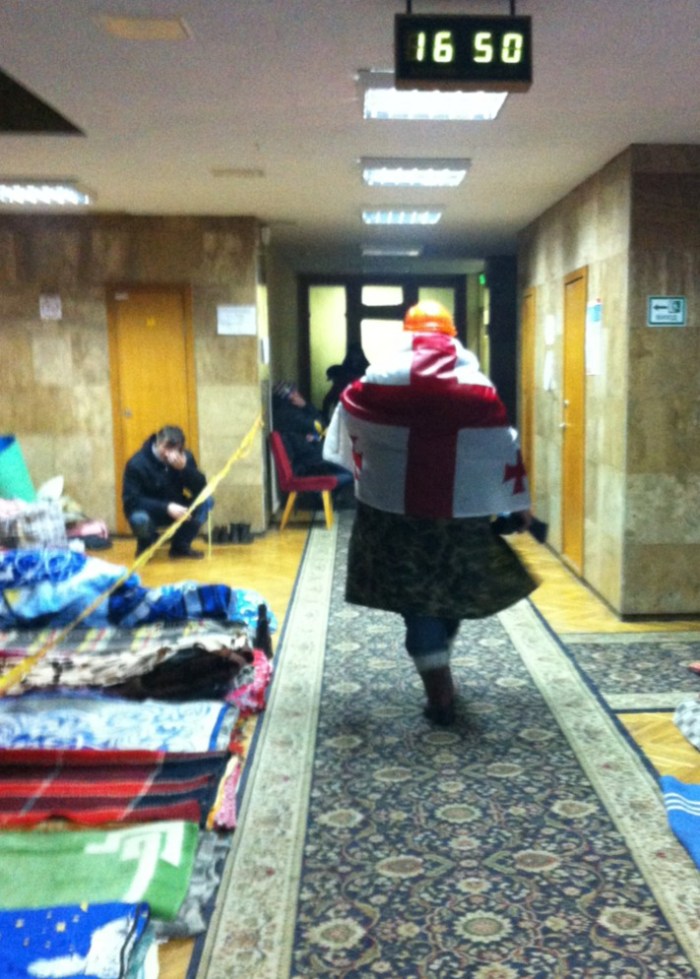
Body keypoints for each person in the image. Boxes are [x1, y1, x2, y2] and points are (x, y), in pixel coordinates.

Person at [323, 300, 537, 726]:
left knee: (416, 602)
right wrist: (516, 504)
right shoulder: (476, 386)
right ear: (452, 337)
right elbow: (500, 446)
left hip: (391, 515)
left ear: (406, 336)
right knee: (445, 596)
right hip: (459, 516)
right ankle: (439, 681)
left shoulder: (375, 381)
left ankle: (436, 674)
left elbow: (348, 420)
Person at [122, 425, 211, 559]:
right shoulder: (137, 463)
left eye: (177, 449)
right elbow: (131, 501)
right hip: (150, 512)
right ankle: (145, 547)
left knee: (207, 500)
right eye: (167, 448)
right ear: (157, 442)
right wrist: (166, 508)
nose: (171, 453)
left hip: (178, 508)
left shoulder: (186, 457)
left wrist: (185, 469)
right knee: (139, 519)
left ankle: (181, 546)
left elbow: (201, 489)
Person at [271, 381, 353, 492]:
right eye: (294, 392)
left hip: (309, 458)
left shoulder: (286, 413)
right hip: (309, 463)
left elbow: (318, 430)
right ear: (290, 397)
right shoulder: (290, 414)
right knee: (351, 468)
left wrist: (315, 436)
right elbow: (320, 426)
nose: (298, 394)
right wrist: (306, 406)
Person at [321, 343, 370, 422]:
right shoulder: (344, 372)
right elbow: (329, 398)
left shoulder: (367, 370)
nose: (355, 357)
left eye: (357, 354)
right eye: (352, 354)